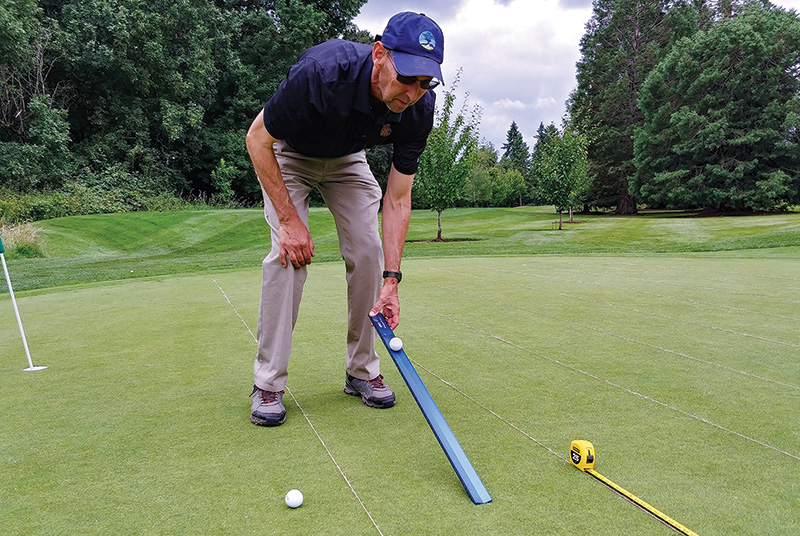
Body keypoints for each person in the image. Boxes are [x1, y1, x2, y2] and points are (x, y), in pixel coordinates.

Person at [245, 12, 444, 426]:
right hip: (289, 152)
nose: (412, 92)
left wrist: (393, 280)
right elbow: (257, 138)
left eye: (425, 82)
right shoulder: (321, 72)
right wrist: (290, 221)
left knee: (370, 252)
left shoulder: (419, 107)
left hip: (347, 159)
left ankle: (361, 371)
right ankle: (268, 382)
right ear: (379, 54)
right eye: (407, 77)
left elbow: (398, 197)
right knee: (289, 255)